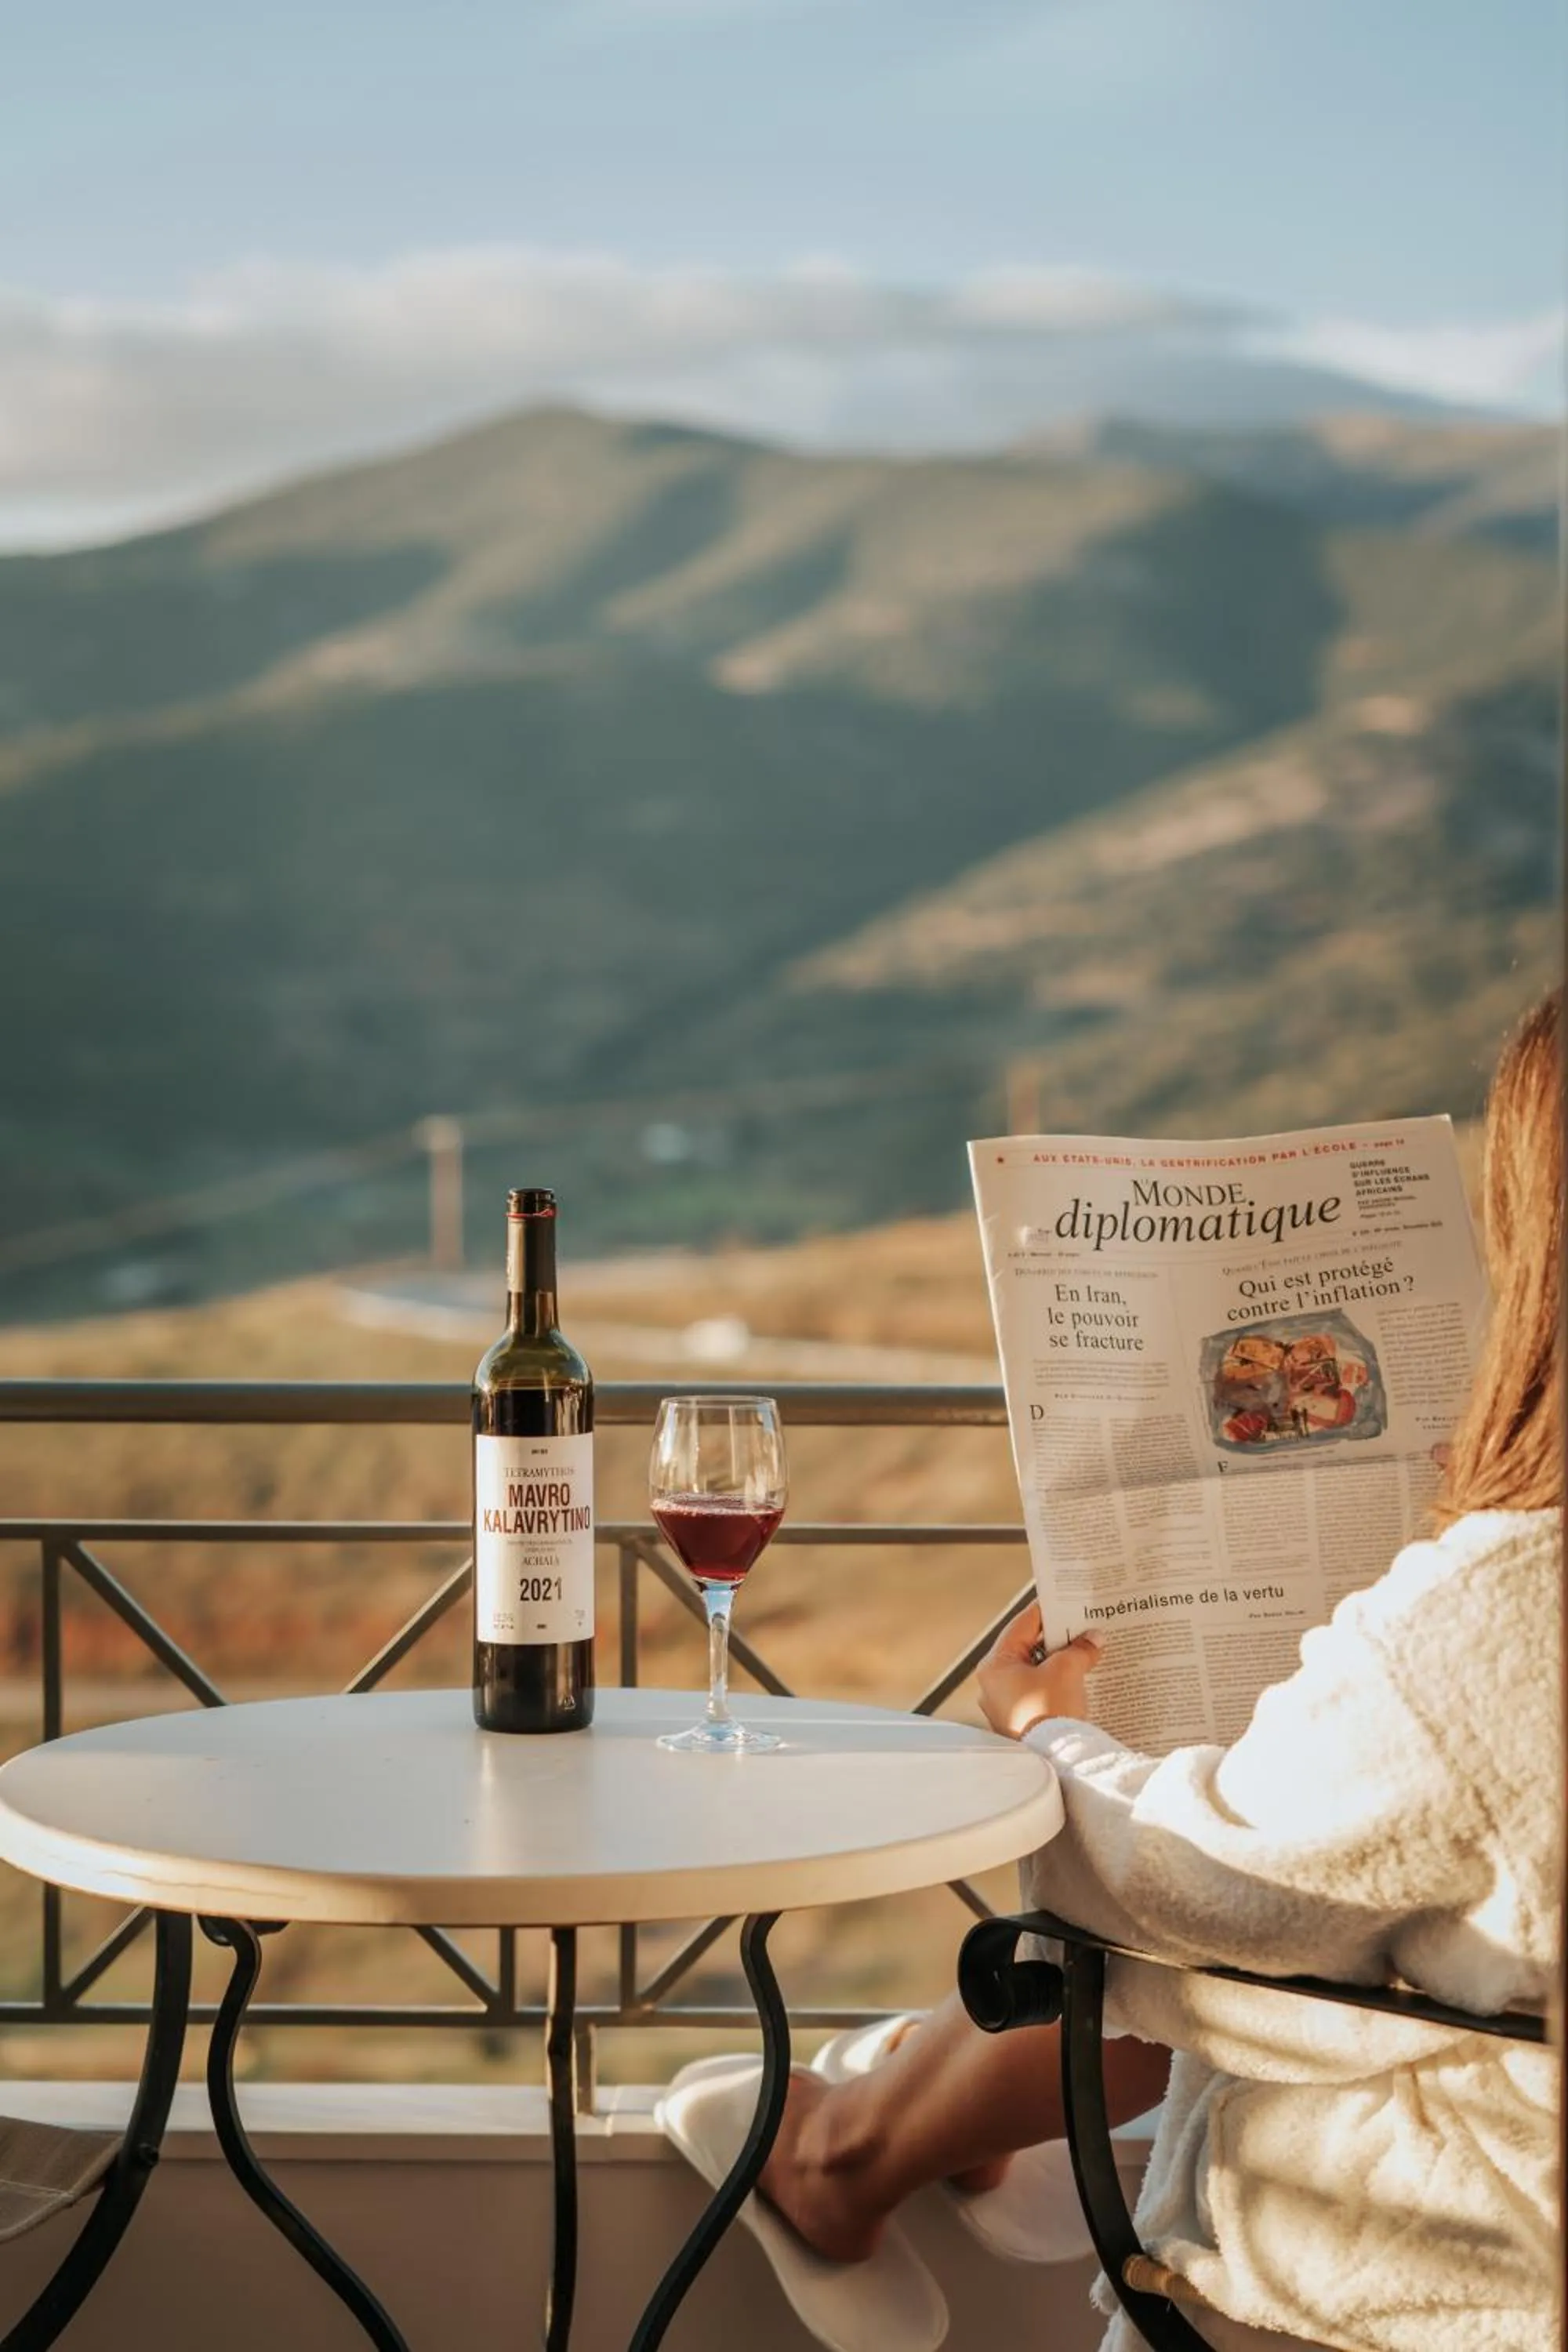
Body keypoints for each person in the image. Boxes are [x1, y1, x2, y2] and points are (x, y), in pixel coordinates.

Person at [666, 989, 1562, 2352]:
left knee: (1223, 1910)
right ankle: (881, 2129)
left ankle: (858, 2140)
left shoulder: (1514, 1606)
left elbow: (1193, 1885)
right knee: (1373, 1883)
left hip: (1471, 2270)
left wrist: (1042, 1733)